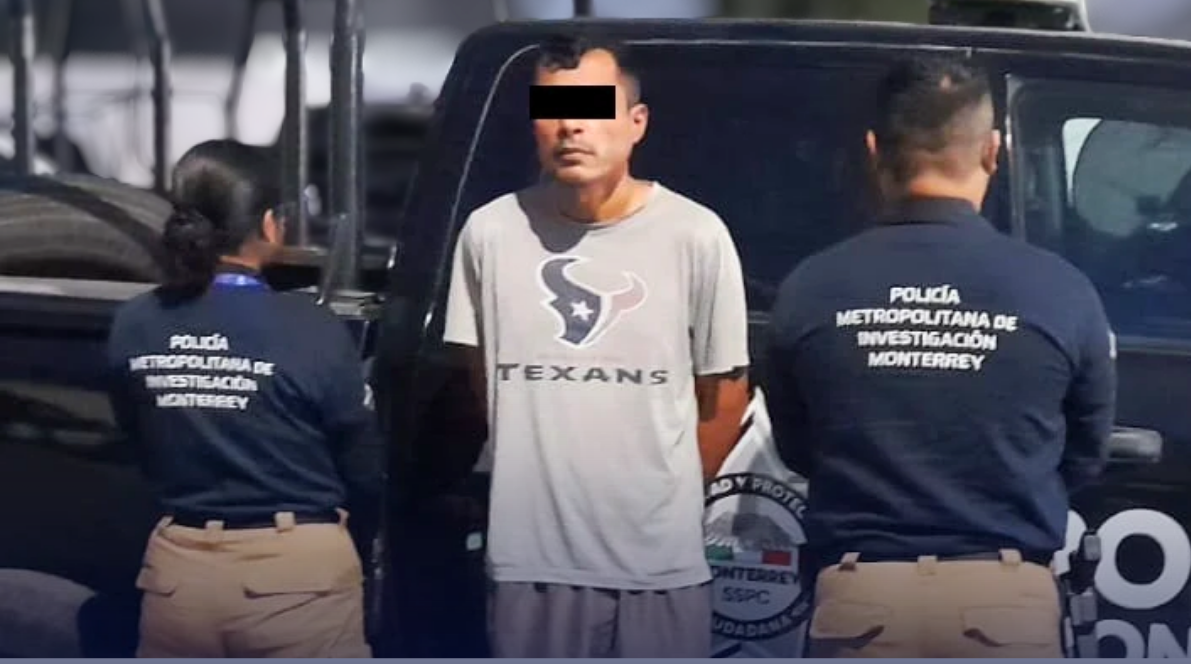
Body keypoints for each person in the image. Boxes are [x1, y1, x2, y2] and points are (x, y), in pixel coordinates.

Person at [762, 55, 1117, 658]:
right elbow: (1085, 452)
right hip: (1006, 598)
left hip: (859, 598)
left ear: (873, 150)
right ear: (994, 151)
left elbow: (798, 446)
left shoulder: (810, 287)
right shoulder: (1061, 290)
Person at [442, 34, 751, 658]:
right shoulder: (490, 233)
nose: (571, 127)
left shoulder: (695, 235)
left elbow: (723, 396)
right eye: (553, 109)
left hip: (660, 565)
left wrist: (659, 501)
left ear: (637, 123)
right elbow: (483, 381)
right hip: (531, 564)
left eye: (591, 106)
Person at [105, 139, 382, 658]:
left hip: (178, 577)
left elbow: (136, 437)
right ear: (272, 224)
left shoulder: (136, 322)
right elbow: (362, 464)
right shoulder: (310, 327)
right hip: (297, 580)